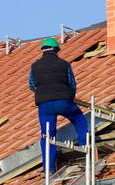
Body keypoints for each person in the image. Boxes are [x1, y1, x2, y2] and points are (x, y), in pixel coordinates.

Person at [29, 37, 89, 172]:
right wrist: (69, 96)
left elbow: (32, 85)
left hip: (45, 105)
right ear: (56, 50)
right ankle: (84, 145)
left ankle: (48, 168)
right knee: (80, 120)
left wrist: (45, 92)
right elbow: (72, 84)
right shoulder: (64, 64)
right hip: (64, 101)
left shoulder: (34, 66)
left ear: (43, 51)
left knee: (47, 135)